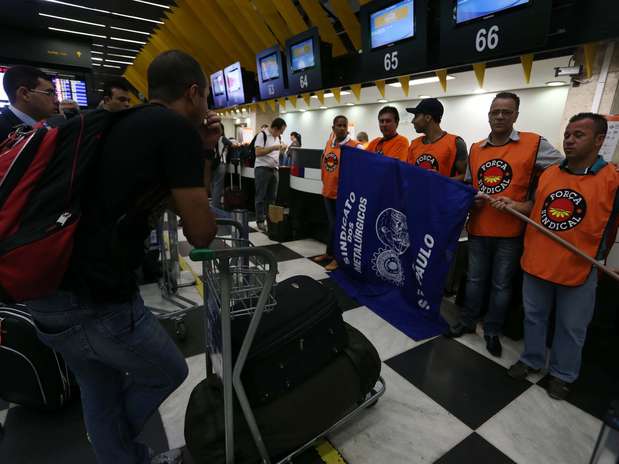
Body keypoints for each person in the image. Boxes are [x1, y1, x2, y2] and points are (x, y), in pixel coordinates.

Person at [24, 50, 219, 464]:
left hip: (44, 289)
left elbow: (166, 205)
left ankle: (120, 455)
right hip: (95, 298)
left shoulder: (117, 123)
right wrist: (198, 148)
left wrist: (201, 151)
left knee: (98, 389)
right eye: (207, 97)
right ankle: (117, 450)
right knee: (169, 370)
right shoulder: (174, 129)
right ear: (194, 92)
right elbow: (200, 231)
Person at [504, 113, 619, 400]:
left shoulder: (612, 180)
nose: (569, 140)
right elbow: (536, 206)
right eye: (567, 134)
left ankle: (562, 374)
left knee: (571, 327)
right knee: (534, 318)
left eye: (578, 135)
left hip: (579, 268)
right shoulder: (550, 173)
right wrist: (515, 205)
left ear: (599, 140)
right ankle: (531, 360)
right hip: (537, 261)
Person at [446, 92, 564, 358]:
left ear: (516, 116)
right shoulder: (476, 148)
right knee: (475, 280)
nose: (499, 116)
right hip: (478, 229)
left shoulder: (534, 144)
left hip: (511, 232)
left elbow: (562, 173)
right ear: (489, 114)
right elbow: (469, 184)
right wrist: (471, 199)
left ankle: (492, 330)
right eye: (495, 111)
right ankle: (467, 322)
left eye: (506, 112)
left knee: (501, 285)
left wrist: (527, 204)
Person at [314, 115, 363, 271]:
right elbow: (324, 163)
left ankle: (338, 258)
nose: (342, 128)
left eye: (344, 125)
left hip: (343, 195)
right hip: (327, 192)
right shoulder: (329, 143)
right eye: (339, 125)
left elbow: (361, 172)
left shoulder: (355, 147)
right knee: (332, 225)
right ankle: (329, 253)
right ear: (333, 128)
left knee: (339, 227)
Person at [406, 98, 467, 180]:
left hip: (443, 192)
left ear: (428, 118)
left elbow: (467, 176)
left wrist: (441, 181)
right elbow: (408, 174)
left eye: (416, 116)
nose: (412, 121)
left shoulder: (456, 143)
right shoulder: (414, 144)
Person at [0, 65, 57, 141]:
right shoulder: (3, 132)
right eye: (49, 93)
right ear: (25, 94)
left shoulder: (48, 127)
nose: (57, 101)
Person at [254, 117, 287, 232]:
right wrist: (274, 147)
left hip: (274, 170)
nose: (281, 134)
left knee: (272, 198)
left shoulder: (277, 137)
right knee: (261, 196)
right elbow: (258, 152)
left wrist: (282, 149)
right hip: (262, 169)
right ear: (275, 128)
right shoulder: (262, 135)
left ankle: (271, 221)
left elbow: (277, 153)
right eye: (281, 131)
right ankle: (260, 221)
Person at [209, 122, 233, 210]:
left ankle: (213, 206)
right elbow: (232, 144)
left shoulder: (209, 138)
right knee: (218, 187)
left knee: (213, 185)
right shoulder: (222, 138)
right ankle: (216, 208)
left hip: (210, 164)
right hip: (221, 164)